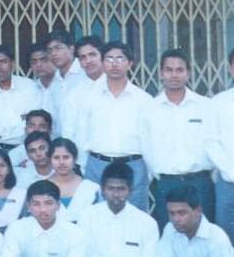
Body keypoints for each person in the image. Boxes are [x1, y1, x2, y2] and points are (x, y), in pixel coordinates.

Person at [73, 41, 151, 211]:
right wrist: (83, 166)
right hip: (97, 164)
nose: (114, 64)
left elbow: (149, 139)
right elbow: (82, 132)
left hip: (133, 166)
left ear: (130, 63)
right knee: (97, 215)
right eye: (109, 59)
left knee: (134, 216)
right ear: (102, 63)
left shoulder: (143, 100)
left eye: (120, 59)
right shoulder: (89, 97)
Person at [144, 49, 216, 229]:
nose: (174, 75)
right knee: (169, 234)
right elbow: (146, 147)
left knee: (204, 234)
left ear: (188, 73)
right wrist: (160, 178)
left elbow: (214, 143)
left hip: (200, 182)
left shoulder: (205, 106)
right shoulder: (150, 109)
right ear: (161, 73)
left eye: (179, 70)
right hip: (167, 183)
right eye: (169, 70)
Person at [206, 46, 234, 257]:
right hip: (231, 183)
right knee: (232, 243)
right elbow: (211, 142)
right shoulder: (219, 103)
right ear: (231, 68)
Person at [0, 45, 45, 149]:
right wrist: (21, 121)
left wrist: (2, 131)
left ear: (12, 64)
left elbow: (34, 121)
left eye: (3, 62)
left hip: (28, 147)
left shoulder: (29, 86)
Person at [48, 138, 100, 222]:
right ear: (50, 160)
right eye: (56, 158)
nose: (61, 162)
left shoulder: (90, 187)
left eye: (66, 157)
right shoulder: (42, 188)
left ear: (75, 159)